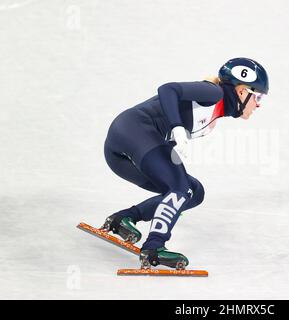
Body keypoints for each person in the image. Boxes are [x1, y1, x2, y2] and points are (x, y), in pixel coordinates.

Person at [101, 57, 269, 269]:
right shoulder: (213, 93)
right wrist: (177, 127)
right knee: (180, 188)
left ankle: (123, 219)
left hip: (118, 151)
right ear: (242, 91)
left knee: (193, 191)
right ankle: (153, 248)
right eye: (259, 96)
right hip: (134, 129)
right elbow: (167, 89)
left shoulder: (213, 118)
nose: (259, 104)